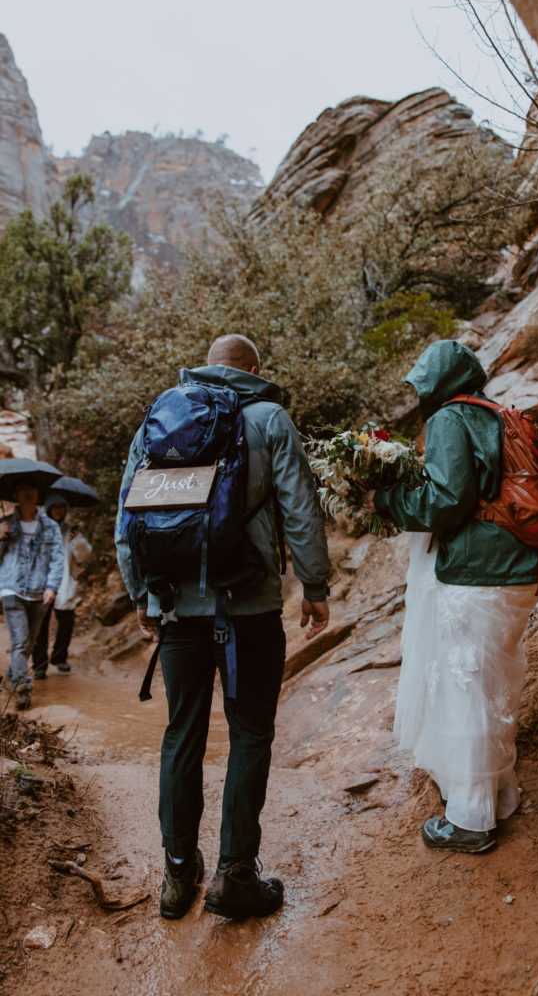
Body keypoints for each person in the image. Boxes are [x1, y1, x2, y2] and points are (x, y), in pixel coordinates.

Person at [116, 333, 331, 921]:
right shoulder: (267, 416)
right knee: (250, 734)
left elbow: (127, 513)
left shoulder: (161, 415)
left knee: (181, 734)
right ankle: (236, 874)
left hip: (178, 612)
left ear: (205, 367)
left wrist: (142, 594)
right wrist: (315, 587)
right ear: (254, 368)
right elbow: (300, 507)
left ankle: (178, 874)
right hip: (250, 610)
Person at [365, 340, 538, 854]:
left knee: (466, 693)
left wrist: (387, 499)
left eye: (421, 382)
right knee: (490, 684)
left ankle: (469, 819)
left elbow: (446, 500)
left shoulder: (449, 420)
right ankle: (498, 795)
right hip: (517, 567)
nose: (419, 392)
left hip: (475, 573)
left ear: (436, 382)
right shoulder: (498, 412)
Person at [0, 478, 64, 711]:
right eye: (23, 488)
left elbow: (58, 559)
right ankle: (22, 689)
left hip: (39, 591)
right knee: (20, 642)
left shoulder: (50, 526)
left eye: (32, 488)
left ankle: (10, 674)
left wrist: (52, 586)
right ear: (15, 494)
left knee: (29, 641)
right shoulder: (5, 524)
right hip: (12, 589)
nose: (28, 493)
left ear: (38, 494)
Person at [32, 493, 92, 678]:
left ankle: (59, 657)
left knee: (66, 622)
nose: (58, 510)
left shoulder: (71, 531)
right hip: (42, 583)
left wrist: (78, 542)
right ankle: (39, 664)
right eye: (54, 507)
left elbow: (84, 558)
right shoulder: (39, 529)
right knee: (40, 626)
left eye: (61, 507)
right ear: (48, 509)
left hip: (64, 583)